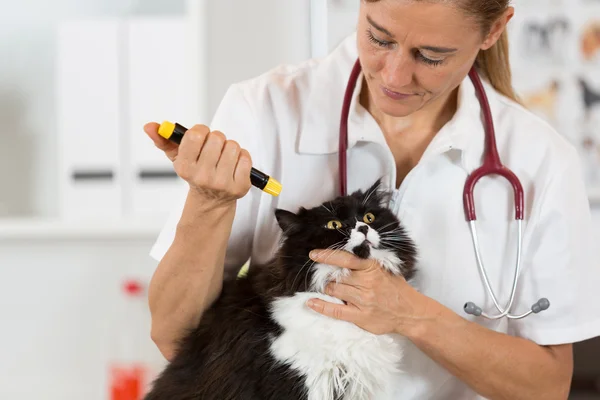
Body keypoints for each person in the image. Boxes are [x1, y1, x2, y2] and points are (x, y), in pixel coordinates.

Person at [143, 1, 600, 399]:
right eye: (379, 38)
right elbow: (172, 336)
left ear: (494, 30)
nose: (395, 75)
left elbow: (546, 387)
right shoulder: (266, 110)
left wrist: (410, 314)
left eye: (431, 56)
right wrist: (208, 202)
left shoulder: (541, 160)